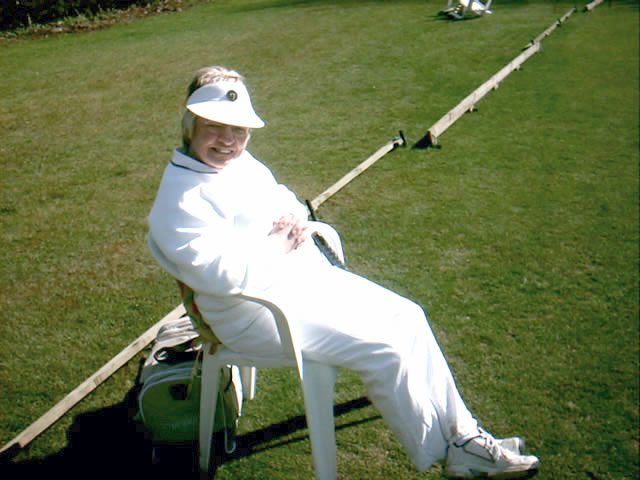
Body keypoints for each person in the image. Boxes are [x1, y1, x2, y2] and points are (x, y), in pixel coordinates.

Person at [147, 65, 540, 479]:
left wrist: (295, 221)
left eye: (239, 130)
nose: (228, 141)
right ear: (190, 126)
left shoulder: (241, 164)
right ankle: (447, 455)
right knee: (384, 350)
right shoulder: (179, 198)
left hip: (300, 282)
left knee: (409, 315)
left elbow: (285, 199)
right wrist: (277, 244)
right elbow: (223, 277)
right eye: (214, 127)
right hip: (253, 316)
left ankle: (466, 436)